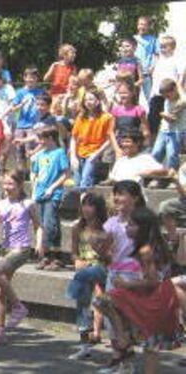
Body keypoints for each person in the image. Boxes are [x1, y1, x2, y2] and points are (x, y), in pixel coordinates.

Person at [95, 207, 180, 374]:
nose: (127, 228)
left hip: (155, 298)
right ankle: (123, 337)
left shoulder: (146, 250)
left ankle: (123, 337)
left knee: (106, 300)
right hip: (160, 295)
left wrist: (128, 285)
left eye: (132, 225)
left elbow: (153, 281)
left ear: (144, 228)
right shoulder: (154, 246)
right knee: (150, 347)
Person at [0, 170, 39, 346]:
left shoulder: (28, 203)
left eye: (11, 184)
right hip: (5, 249)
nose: (7, 187)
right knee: (0, 291)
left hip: (21, 248)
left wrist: (39, 243)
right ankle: (0, 331)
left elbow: (39, 226)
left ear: (20, 185)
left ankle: (18, 306)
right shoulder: (1, 204)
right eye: (5, 184)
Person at [66, 193, 110, 360]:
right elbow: (74, 253)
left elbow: (109, 255)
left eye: (90, 205)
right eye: (84, 205)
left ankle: (116, 344)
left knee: (105, 302)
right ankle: (85, 345)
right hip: (84, 268)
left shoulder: (106, 228)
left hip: (102, 266)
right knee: (82, 305)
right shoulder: (78, 227)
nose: (86, 209)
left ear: (98, 209)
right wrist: (77, 260)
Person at [31, 127, 69, 269]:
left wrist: (52, 188)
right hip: (40, 193)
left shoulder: (59, 153)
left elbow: (66, 173)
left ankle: (55, 256)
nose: (40, 142)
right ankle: (46, 255)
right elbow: (36, 175)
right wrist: (34, 192)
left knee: (50, 224)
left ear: (51, 138)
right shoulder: (41, 155)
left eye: (43, 138)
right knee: (43, 225)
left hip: (53, 194)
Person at [70, 89, 113, 188]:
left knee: (85, 181)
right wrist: (73, 156)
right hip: (80, 153)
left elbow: (110, 139)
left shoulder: (106, 117)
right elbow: (74, 137)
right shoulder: (81, 117)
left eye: (91, 99)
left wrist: (97, 153)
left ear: (98, 101)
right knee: (77, 183)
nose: (88, 102)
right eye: (86, 100)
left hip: (94, 153)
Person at [7, 68, 46, 171]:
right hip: (21, 124)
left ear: (37, 79)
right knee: (19, 149)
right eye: (28, 77)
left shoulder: (40, 92)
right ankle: (21, 172)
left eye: (33, 77)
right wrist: (21, 105)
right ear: (24, 78)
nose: (31, 80)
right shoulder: (20, 92)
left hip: (34, 125)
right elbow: (13, 108)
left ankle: (33, 171)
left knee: (31, 148)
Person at [152, 79, 186, 175]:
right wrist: (163, 114)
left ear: (175, 90)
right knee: (156, 152)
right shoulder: (167, 100)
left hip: (177, 131)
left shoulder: (182, 100)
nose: (166, 97)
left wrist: (163, 115)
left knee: (172, 154)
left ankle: (172, 175)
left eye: (168, 95)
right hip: (164, 130)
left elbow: (172, 118)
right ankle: (156, 174)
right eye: (164, 95)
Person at [134, 16, 160, 102]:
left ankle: (153, 115)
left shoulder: (153, 40)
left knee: (150, 98)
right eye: (140, 24)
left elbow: (157, 55)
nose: (142, 27)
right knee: (133, 97)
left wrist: (153, 66)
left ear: (148, 27)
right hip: (133, 72)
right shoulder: (133, 38)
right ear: (137, 25)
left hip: (146, 72)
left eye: (145, 25)